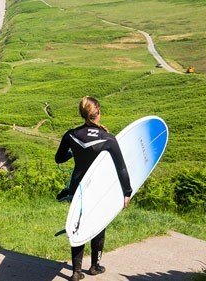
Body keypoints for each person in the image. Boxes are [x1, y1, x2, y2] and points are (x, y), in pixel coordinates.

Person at [54, 96, 132, 281]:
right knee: (98, 225)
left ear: (83, 114)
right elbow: (121, 167)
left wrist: (74, 151)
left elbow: (59, 158)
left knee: (78, 224)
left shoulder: (71, 135)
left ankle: (75, 271)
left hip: (77, 187)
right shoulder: (108, 139)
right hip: (99, 188)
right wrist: (127, 192)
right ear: (98, 113)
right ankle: (95, 266)